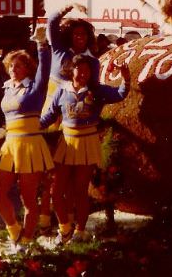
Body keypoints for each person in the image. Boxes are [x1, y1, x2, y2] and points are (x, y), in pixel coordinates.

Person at [40, 55, 130, 244]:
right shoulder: (61, 90)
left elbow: (120, 94)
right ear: (71, 70)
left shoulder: (97, 91)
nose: (82, 74)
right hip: (66, 143)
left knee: (81, 191)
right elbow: (49, 115)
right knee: (57, 192)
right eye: (79, 69)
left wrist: (126, 78)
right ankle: (64, 229)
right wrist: (30, 127)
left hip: (87, 143)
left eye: (87, 71)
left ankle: (80, 231)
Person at [0, 29, 52, 248]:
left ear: (28, 68)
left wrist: (42, 44)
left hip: (30, 145)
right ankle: (15, 232)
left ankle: (26, 240)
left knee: (28, 199)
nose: (14, 69)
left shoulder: (35, 88)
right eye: (11, 66)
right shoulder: (7, 89)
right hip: (10, 145)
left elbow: (45, 71)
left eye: (19, 65)